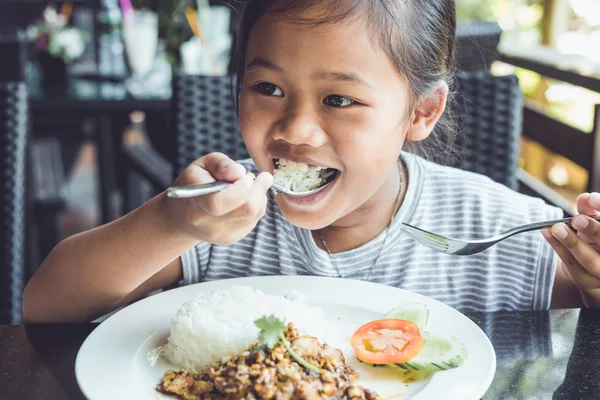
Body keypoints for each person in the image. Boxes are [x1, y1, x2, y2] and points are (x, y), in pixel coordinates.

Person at [23, 0, 600, 323]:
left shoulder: (503, 232)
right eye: (267, 88)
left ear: (421, 112)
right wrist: (168, 223)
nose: (294, 130)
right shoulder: (213, 227)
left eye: (340, 99)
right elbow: (46, 306)